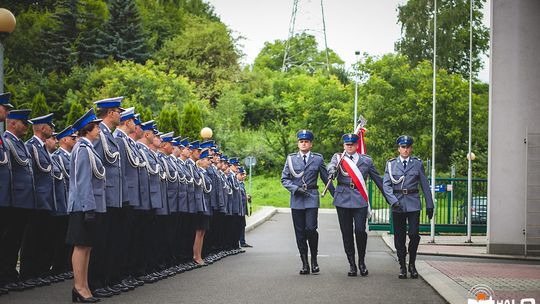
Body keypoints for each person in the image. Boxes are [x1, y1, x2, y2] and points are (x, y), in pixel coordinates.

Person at [327, 133, 387, 277]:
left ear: (357, 145)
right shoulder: (338, 158)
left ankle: (361, 261)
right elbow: (331, 167)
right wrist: (331, 171)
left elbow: (378, 180)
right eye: (347, 145)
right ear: (344, 146)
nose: (349, 146)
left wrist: (390, 198)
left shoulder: (366, 161)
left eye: (352, 144)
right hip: (342, 199)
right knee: (346, 233)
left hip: (359, 200)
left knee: (360, 231)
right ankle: (352, 264)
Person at [281, 130, 334, 275]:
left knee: (311, 229)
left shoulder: (317, 159)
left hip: (311, 196)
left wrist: (335, 195)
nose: (303, 144)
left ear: (311, 144)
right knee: (300, 232)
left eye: (306, 142)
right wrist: (296, 189)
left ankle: (314, 260)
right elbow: (284, 179)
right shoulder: (291, 159)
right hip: (297, 198)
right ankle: (304, 263)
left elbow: (325, 178)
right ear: (298, 143)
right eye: (301, 141)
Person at [66, 108, 105, 303]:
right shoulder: (82, 149)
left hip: (88, 205)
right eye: (96, 126)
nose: (99, 129)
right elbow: (82, 181)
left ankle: (84, 286)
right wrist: (89, 207)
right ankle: (79, 287)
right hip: (82, 206)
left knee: (87, 246)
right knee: (81, 246)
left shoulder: (88, 148)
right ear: (88, 129)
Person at [383, 135, 434, 279]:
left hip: (413, 203)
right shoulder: (391, 164)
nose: (405, 150)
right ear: (399, 148)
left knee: (413, 235)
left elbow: (424, 185)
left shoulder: (417, 164)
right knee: (399, 237)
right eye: (403, 147)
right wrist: (393, 201)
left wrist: (430, 205)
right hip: (397, 203)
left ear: (411, 149)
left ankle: (412, 263)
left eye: (408, 147)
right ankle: (402, 266)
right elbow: (386, 185)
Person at [0, 109, 36, 292]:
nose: (26, 126)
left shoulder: (18, 143)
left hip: (23, 199)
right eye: (23, 122)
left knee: (15, 241)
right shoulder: (6, 141)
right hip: (13, 199)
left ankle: (10, 275)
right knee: (8, 240)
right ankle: (5, 276)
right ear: (13, 123)